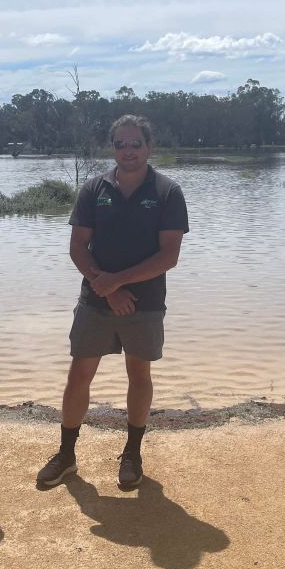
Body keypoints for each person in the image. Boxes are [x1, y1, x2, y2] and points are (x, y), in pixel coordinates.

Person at [37, 115, 188, 489]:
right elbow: (77, 246)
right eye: (121, 143)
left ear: (148, 147)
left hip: (145, 303)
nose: (128, 150)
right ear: (113, 147)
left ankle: (133, 453)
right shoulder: (93, 189)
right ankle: (67, 454)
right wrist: (105, 287)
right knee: (79, 376)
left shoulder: (168, 192)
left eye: (135, 143)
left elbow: (169, 256)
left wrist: (118, 282)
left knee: (139, 376)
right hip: (96, 302)